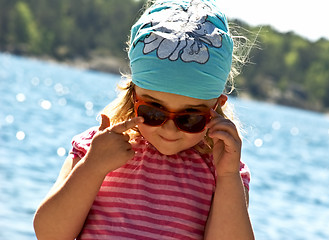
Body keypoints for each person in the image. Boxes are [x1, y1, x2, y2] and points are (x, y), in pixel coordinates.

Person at [33, 0, 254, 239]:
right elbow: (49, 234)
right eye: (153, 112)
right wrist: (92, 167)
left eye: (190, 118)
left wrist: (228, 177)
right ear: (133, 94)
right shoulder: (96, 148)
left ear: (216, 107)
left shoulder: (222, 170)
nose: (169, 129)